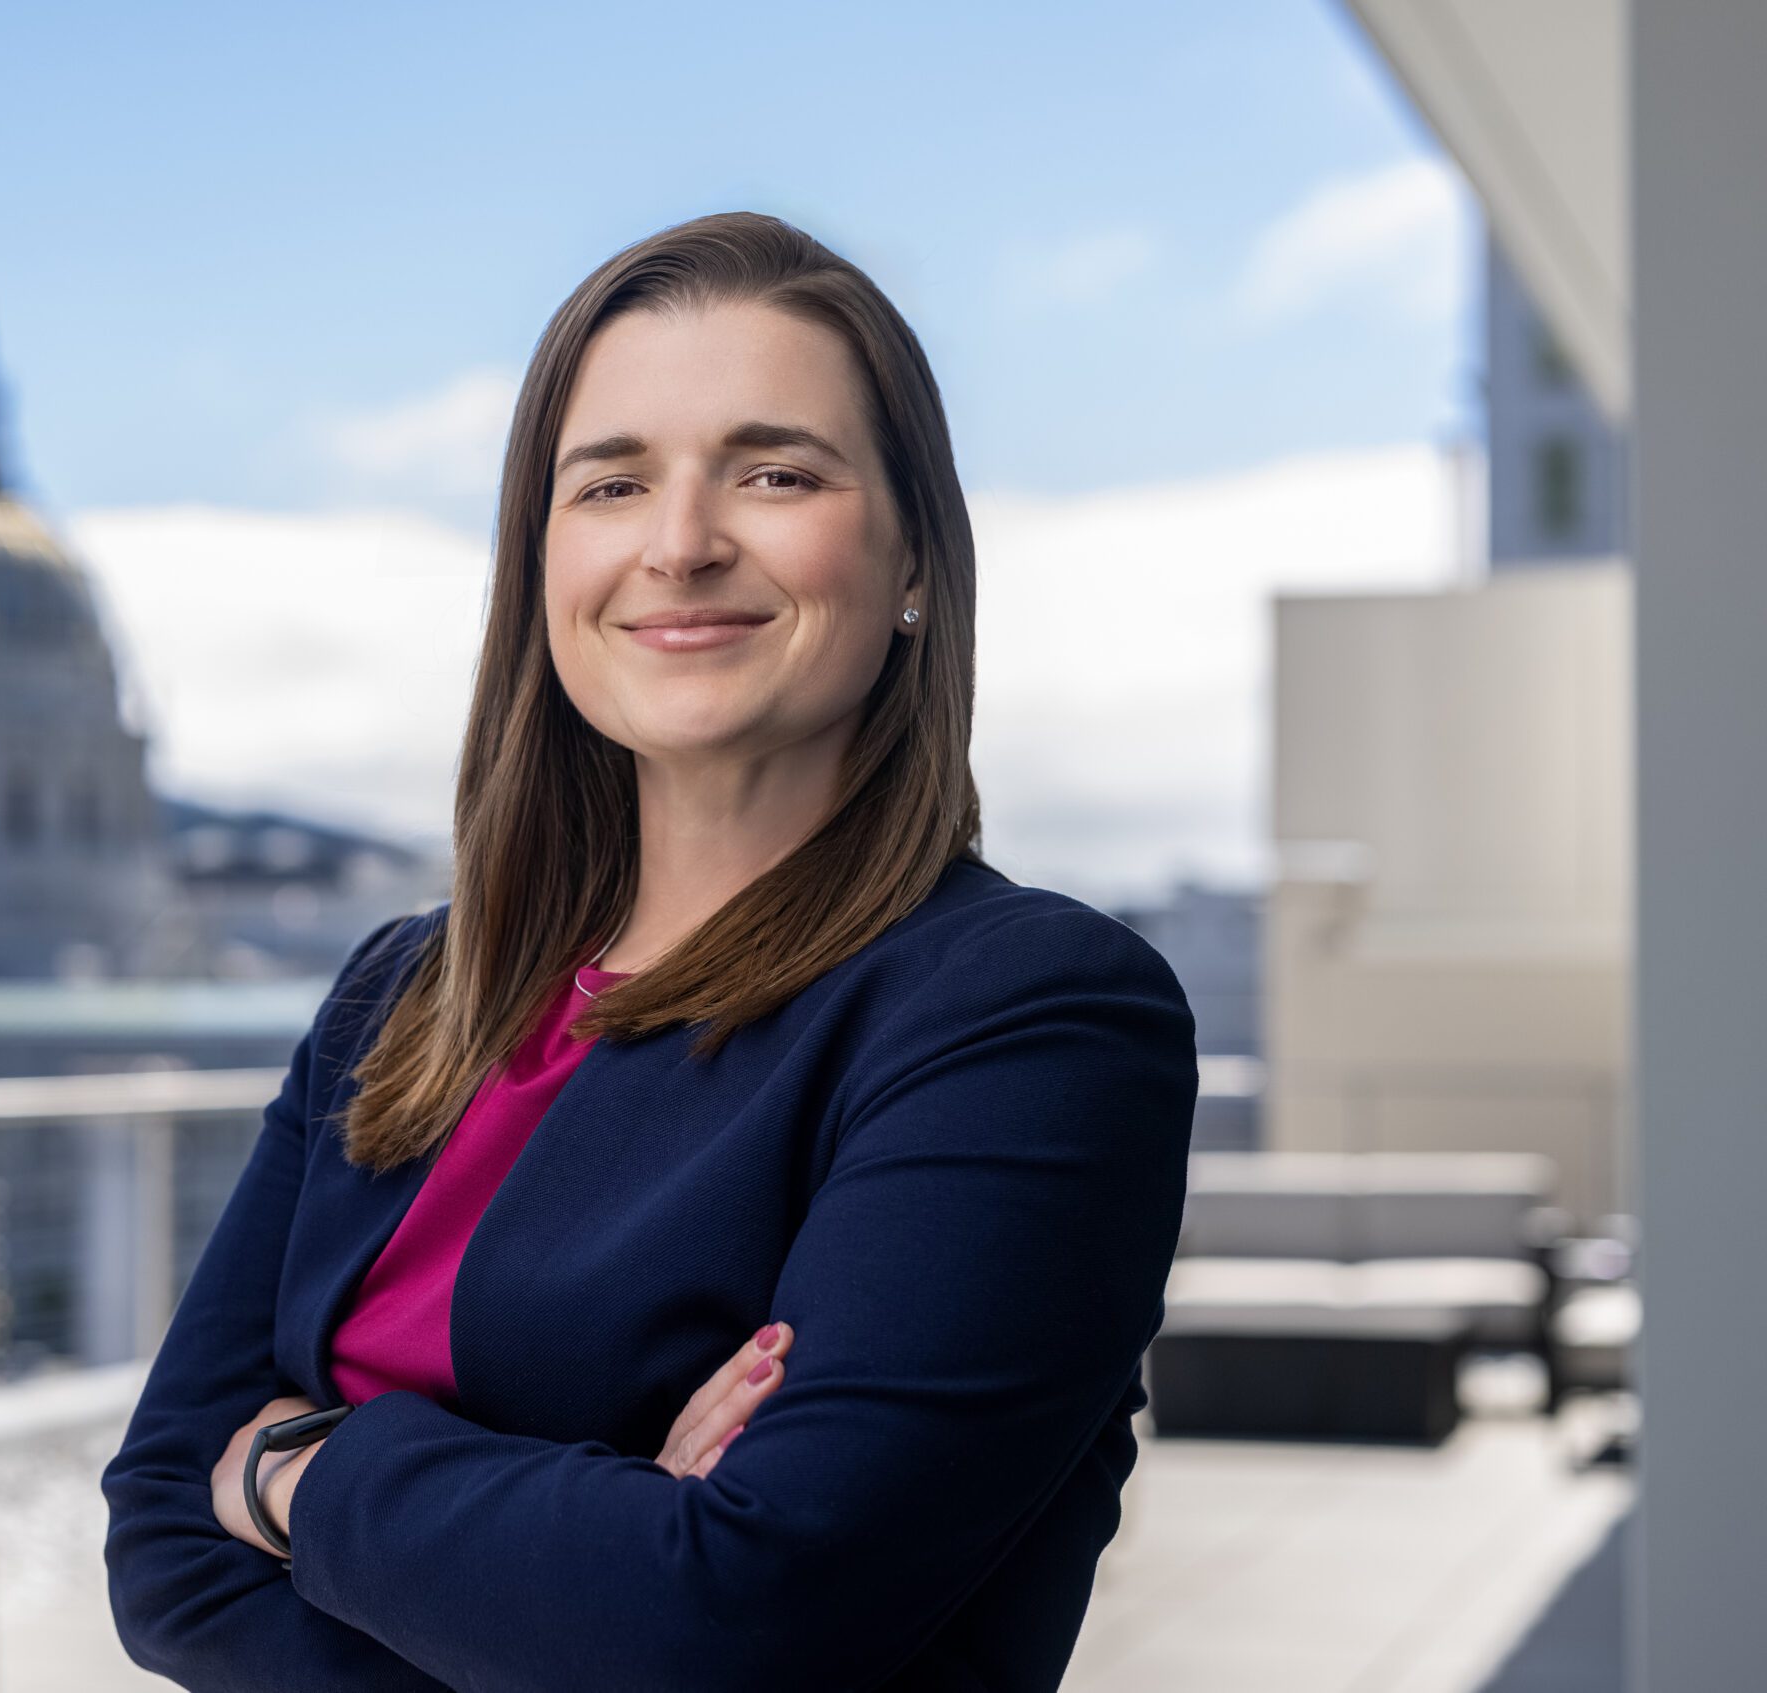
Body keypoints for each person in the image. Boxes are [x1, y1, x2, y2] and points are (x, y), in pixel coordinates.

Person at [101, 209, 1197, 1692]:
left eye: (775, 472)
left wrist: (296, 1473)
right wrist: (588, 1550)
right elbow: (164, 1546)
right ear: (543, 564)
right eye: (611, 483)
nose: (680, 544)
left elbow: (730, 1620)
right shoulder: (403, 999)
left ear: (917, 557)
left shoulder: (1031, 1019)